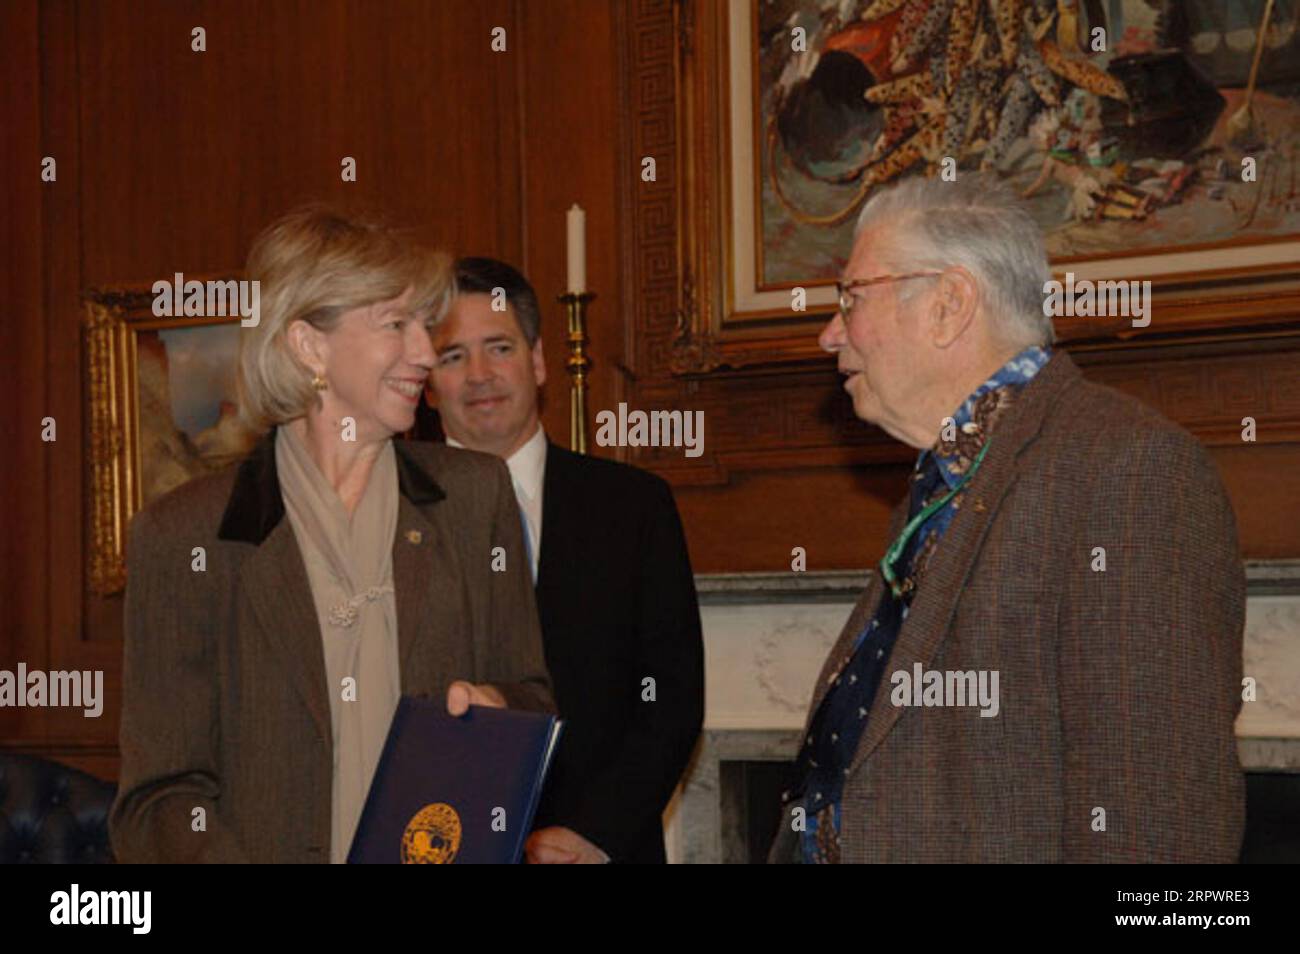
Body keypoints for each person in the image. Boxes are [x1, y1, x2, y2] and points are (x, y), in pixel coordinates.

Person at [771, 176, 1246, 863]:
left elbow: (1160, 822)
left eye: (851, 298)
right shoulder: (945, 482)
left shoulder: (1128, 469)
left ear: (949, 303)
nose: (829, 333)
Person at [110, 208, 552, 864]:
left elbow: (532, 695)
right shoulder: (185, 538)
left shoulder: (474, 500)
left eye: (424, 327)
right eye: (396, 325)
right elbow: (159, 800)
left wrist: (496, 707)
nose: (426, 354)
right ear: (308, 345)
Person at [425, 257, 704, 863]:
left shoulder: (633, 507)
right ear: (427, 382)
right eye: (452, 356)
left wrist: (594, 832)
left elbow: (672, 702)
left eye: (499, 347)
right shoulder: (390, 515)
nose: (479, 375)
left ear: (539, 360)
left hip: (602, 849)